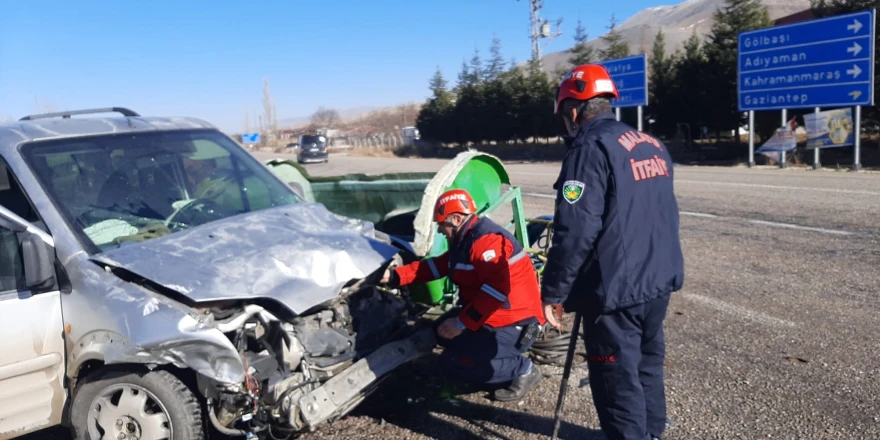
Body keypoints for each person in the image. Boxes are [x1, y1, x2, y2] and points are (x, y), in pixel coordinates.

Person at [540, 64, 685, 440]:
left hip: (616, 290)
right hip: (658, 280)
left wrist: (553, 293)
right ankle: (652, 434)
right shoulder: (649, 143)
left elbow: (576, 230)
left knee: (616, 379)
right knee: (646, 366)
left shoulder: (588, 148)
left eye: (564, 115)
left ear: (573, 110)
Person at [381, 188, 546, 401]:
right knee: (439, 331)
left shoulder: (487, 243)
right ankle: (489, 355)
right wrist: (394, 276)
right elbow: (438, 266)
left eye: (442, 224)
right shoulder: (465, 240)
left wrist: (461, 323)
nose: (440, 230)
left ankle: (523, 369)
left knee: (459, 364)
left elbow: (496, 292)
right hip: (492, 316)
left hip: (521, 322)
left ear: (457, 219)